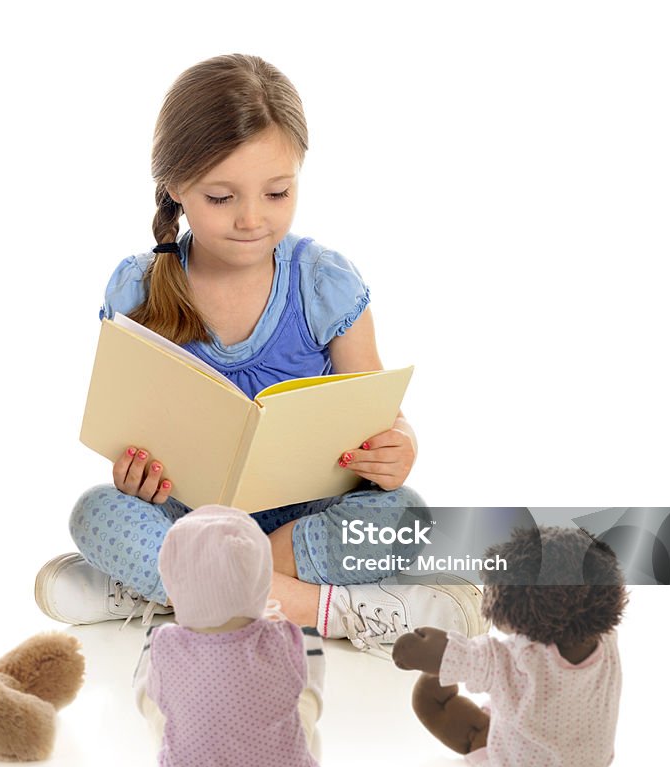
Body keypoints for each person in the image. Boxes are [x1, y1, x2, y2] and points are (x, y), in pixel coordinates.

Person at [35, 53, 485, 651]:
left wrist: (398, 449)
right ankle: (336, 611)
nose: (253, 219)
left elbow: (378, 411)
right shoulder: (138, 289)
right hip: (190, 517)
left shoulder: (322, 281)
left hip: (309, 519)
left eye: (277, 192)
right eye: (222, 198)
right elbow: (127, 429)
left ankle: (166, 593)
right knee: (95, 512)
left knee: (405, 516)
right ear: (175, 187)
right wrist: (134, 474)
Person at [392, 526, 627, 767]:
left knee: (428, 700)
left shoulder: (513, 658)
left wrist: (435, 651)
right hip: (592, 764)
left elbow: (438, 656)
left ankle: (466, 716)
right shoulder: (606, 638)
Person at [132, 505, 323, 767]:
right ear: (265, 581)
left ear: (171, 583)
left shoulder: (167, 644)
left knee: (154, 700)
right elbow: (297, 685)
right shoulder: (282, 637)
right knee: (305, 694)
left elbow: (157, 697)